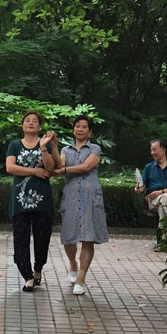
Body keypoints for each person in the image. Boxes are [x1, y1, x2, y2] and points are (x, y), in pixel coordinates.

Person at [53, 115, 108, 296]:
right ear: (74, 129)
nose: (80, 129)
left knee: (87, 237)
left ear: (90, 131)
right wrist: (53, 147)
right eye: (77, 126)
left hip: (89, 195)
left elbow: (86, 167)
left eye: (84, 127)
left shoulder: (95, 148)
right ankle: (72, 264)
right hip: (70, 196)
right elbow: (59, 164)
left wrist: (65, 170)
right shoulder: (66, 149)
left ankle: (81, 277)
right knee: (68, 237)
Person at [6, 111, 58, 292]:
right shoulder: (14, 145)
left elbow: (50, 168)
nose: (30, 123)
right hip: (20, 200)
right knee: (20, 238)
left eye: (34, 121)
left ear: (39, 126)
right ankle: (27, 276)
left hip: (42, 199)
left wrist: (44, 147)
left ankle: (38, 269)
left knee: (42, 237)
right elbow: (10, 167)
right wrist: (34, 171)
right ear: (22, 125)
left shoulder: (45, 143)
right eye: (27, 121)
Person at [135, 138, 167, 221]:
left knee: (163, 205)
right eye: (151, 150)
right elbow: (143, 186)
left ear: (163, 150)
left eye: (154, 150)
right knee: (166, 198)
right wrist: (139, 189)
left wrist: (161, 192)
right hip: (153, 200)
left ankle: (164, 233)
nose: (152, 153)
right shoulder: (149, 167)